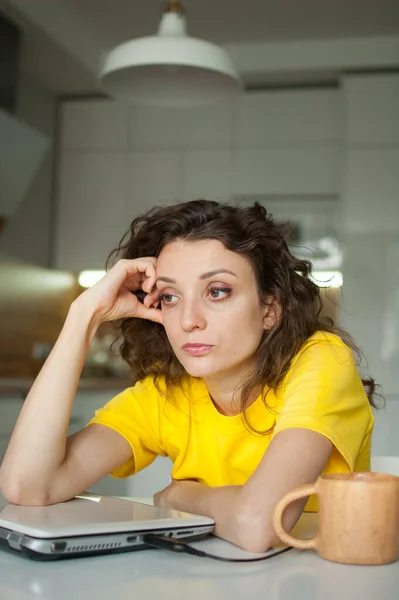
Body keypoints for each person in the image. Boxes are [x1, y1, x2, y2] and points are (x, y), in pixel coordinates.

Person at [0, 200, 376, 553]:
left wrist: (180, 498)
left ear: (269, 310)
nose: (188, 320)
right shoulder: (164, 395)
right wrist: (84, 316)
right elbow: (28, 486)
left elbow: (260, 523)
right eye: (169, 297)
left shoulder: (322, 359)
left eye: (217, 291)